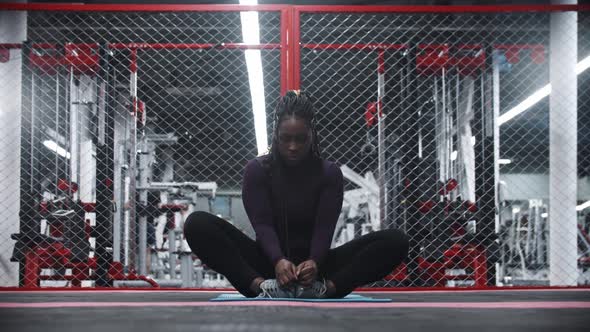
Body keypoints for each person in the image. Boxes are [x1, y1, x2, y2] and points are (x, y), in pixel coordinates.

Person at [183, 90, 408, 298]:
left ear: (312, 135)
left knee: (395, 241)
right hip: (266, 265)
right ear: (275, 135)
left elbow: (324, 228)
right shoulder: (257, 170)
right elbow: (263, 225)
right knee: (197, 223)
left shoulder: (329, 173)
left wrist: (314, 262)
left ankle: (325, 290)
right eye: (285, 138)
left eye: (301, 139)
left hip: (317, 270)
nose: (292, 146)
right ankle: (261, 287)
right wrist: (278, 261)